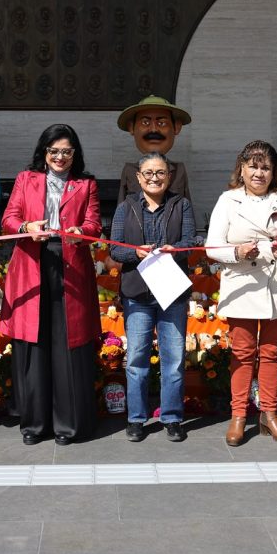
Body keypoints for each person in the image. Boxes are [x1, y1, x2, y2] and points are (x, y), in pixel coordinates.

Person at [0, 124, 101, 445]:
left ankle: (69, 426)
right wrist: (26, 225)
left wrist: (78, 231)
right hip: (32, 262)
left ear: (75, 154)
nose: (60, 157)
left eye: (67, 152)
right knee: (34, 345)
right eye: (54, 151)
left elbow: (95, 224)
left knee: (66, 345)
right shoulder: (25, 179)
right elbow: (8, 218)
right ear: (43, 153)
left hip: (70, 264)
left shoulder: (86, 184)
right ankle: (34, 424)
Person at [206, 140, 277, 446]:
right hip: (242, 284)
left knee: (271, 352)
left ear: (274, 171)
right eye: (253, 165)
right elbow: (212, 246)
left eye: (266, 167)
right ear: (242, 167)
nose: (259, 173)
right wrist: (236, 251)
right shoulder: (228, 200)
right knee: (242, 353)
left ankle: (270, 414)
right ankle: (238, 415)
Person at [109, 152, 199, 442]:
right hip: (137, 293)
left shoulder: (181, 204)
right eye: (148, 173)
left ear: (169, 176)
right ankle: (136, 418)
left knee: (172, 360)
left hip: (171, 292)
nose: (154, 178)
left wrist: (175, 249)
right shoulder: (125, 207)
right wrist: (135, 252)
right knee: (136, 359)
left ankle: (172, 417)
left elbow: (189, 243)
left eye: (160, 172)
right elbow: (115, 249)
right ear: (138, 177)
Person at [115, 95, 192, 204]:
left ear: (177, 127)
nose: (154, 129)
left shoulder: (179, 170)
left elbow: (186, 206)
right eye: (145, 122)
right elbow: (121, 206)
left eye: (162, 123)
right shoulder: (129, 170)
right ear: (131, 127)